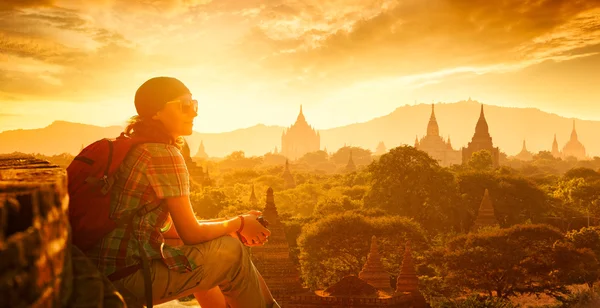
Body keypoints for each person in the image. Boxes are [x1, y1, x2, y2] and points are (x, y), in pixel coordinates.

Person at [83, 77, 280, 308]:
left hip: (99, 271)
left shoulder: (134, 146)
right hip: (125, 279)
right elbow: (192, 234)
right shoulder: (163, 154)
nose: (194, 113)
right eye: (184, 106)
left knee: (216, 245)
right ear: (157, 113)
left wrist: (234, 226)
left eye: (194, 105)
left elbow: (172, 230)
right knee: (232, 252)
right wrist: (239, 222)